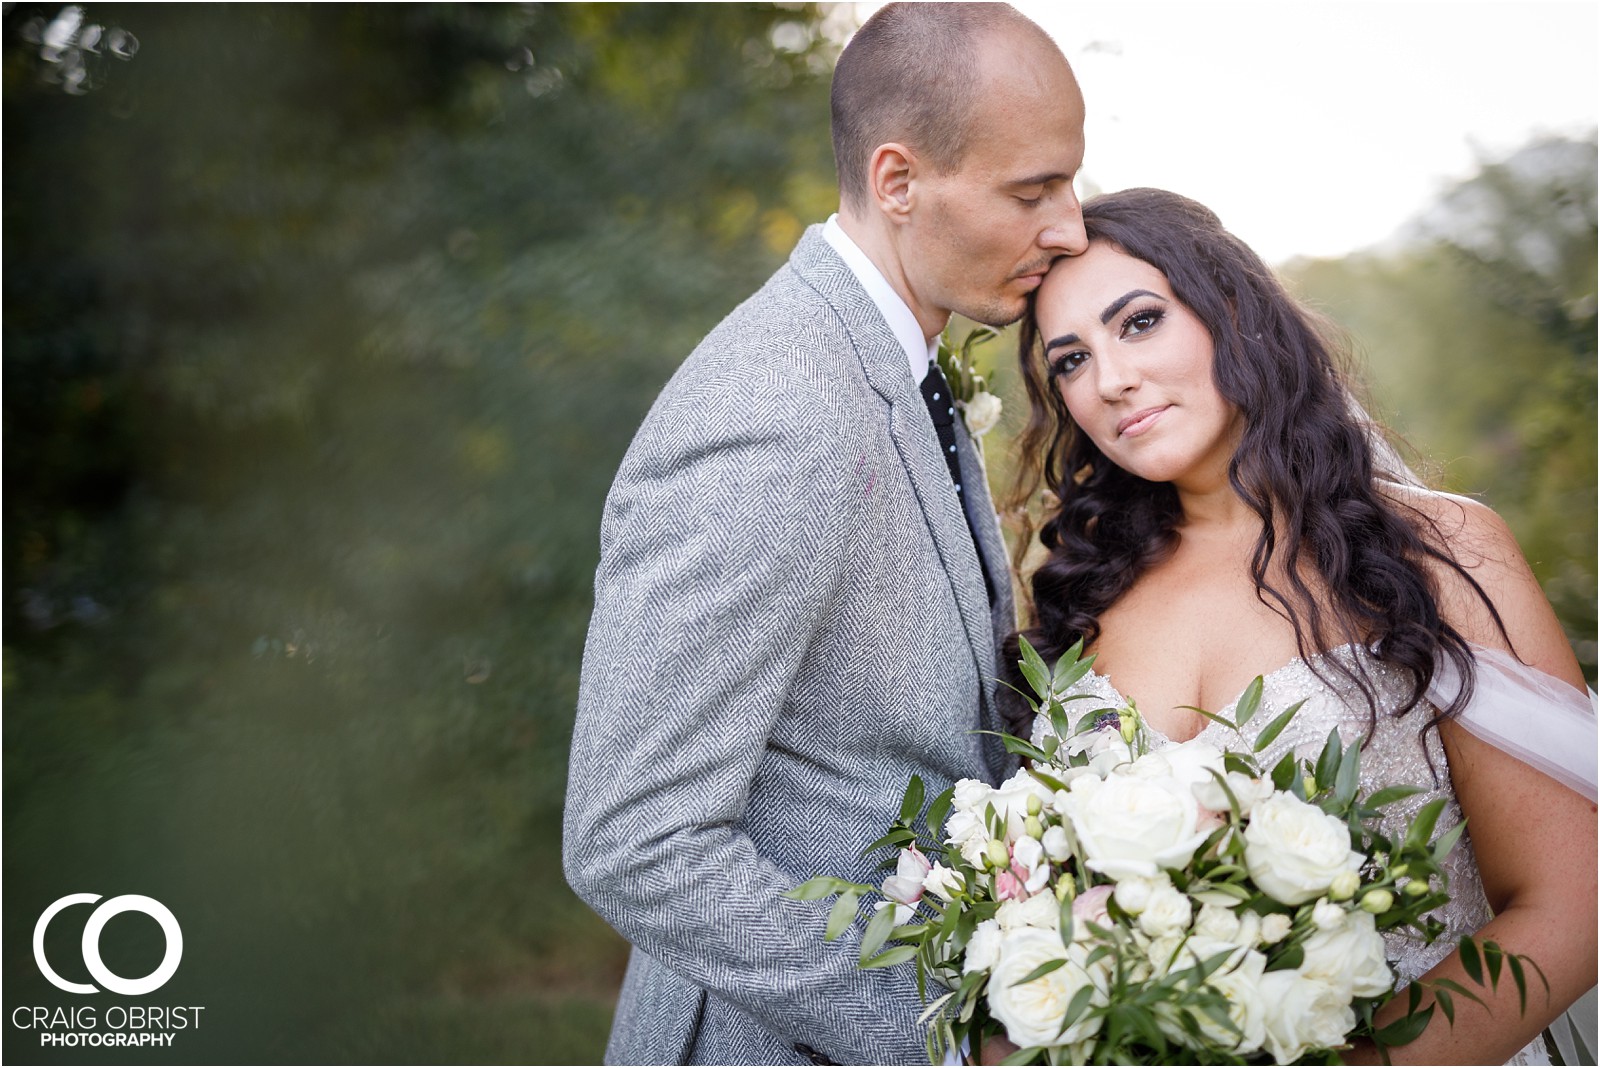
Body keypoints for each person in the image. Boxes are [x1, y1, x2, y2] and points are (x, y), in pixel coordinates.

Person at [563, 5, 1087, 1064]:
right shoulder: (776, 405)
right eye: (1032, 191)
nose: (1071, 227)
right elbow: (635, 838)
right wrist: (951, 1034)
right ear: (897, 182)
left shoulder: (887, 364)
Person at [1003, 186, 1597, 1065]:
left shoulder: (1437, 549)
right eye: (1070, 361)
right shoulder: (1082, 604)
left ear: (1233, 310)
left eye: (1138, 323)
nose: (1110, 381)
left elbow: (1573, 901)